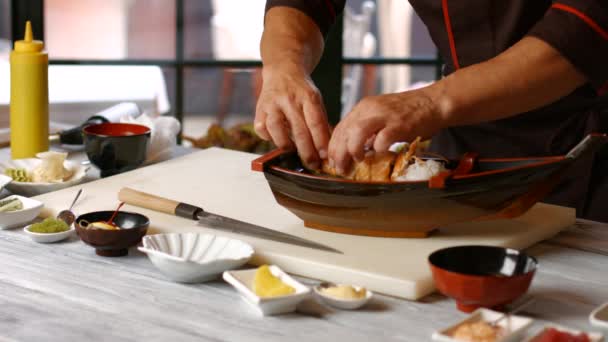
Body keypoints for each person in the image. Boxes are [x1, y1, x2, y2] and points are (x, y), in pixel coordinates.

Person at [254, 0, 608, 221]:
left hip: (589, 149)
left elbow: (584, 28)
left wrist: (428, 102)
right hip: (465, 153)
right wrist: (284, 64)